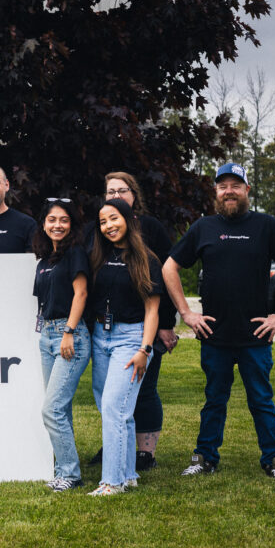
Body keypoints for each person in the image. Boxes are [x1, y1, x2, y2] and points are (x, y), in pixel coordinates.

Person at [162, 163, 275, 480]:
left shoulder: (266, 226)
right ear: (215, 192)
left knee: (262, 401)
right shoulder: (203, 228)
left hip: (255, 335)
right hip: (215, 335)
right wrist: (187, 313)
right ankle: (205, 458)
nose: (229, 190)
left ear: (246, 190)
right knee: (214, 400)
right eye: (222, 185)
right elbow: (169, 267)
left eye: (235, 185)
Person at [87, 171, 179, 471]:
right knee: (112, 404)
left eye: (121, 190)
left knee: (130, 398)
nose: (115, 196)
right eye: (109, 191)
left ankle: (137, 460)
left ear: (133, 195)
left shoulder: (147, 248)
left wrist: (150, 342)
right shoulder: (100, 250)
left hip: (135, 334)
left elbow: (159, 292)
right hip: (103, 334)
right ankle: (124, 469)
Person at [87, 198, 163, 496]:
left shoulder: (147, 259)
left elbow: (152, 311)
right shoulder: (98, 256)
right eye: (103, 221)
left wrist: (144, 349)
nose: (108, 226)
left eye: (113, 219)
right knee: (118, 411)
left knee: (113, 408)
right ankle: (128, 474)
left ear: (129, 219)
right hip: (100, 337)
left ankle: (111, 482)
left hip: (131, 339)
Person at [32, 199, 90, 492]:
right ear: (43, 224)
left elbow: (81, 294)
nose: (57, 225)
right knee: (61, 408)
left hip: (71, 336)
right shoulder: (44, 260)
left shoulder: (75, 254)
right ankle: (63, 469)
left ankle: (70, 472)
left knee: (51, 408)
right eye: (52, 219)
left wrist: (68, 331)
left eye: (64, 220)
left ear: (72, 225)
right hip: (47, 337)